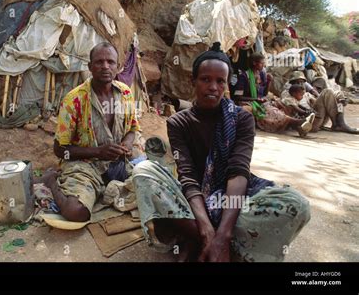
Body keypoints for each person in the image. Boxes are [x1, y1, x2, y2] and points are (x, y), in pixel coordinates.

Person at [132, 42, 310, 262]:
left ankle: (196, 236)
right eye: (205, 79)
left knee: (296, 204)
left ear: (226, 84)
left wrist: (223, 235)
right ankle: (205, 237)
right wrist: (207, 230)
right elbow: (187, 176)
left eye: (220, 81)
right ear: (193, 81)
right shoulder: (178, 122)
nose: (213, 87)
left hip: (230, 198)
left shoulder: (241, 118)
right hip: (191, 197)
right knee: (144, 171)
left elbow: (238, 172)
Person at [43, 42, 140, 222]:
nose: (105, 66)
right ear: (90, 67)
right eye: (99, 62)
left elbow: (133, 128)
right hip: (85, 165)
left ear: (118, 66)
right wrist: (98, 152)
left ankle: (105, 187)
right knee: (75, 211)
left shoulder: (125, 93)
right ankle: (50, 181)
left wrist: (126, 143)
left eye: (110, 62)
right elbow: (59, 150)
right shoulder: (74, 100)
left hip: (119, 162)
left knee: (154, 184)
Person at [232, 53, 313, 136]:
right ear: (254, 63)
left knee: (282, 105)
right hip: (249, 102)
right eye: (262, 63)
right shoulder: (244, 76)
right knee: (272, 112)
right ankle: (300, 122)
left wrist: (268, 82)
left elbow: (264, 93)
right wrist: (255, 99)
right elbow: (238, 97)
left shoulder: (262, 74)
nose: (264, 65)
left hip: (260, 100)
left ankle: (299, 127)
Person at [282, 71, 359, 134]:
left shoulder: (306, 94)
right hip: (309, 121)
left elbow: (316, 101)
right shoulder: (287, 93)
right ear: (292, 83)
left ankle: (339, 123)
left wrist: (337, 100)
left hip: (319, 117)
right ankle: (339, 125)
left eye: (302, 82)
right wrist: (306, 112)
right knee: (327, 91)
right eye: (297, 82)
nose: (300, 84)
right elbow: (292, 107)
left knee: (339, 94)